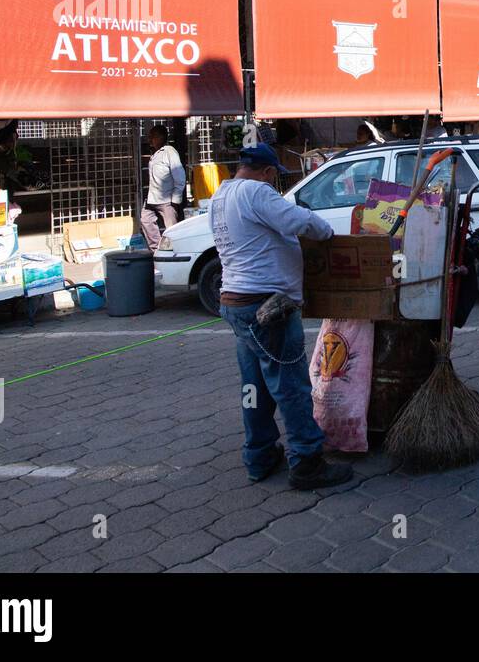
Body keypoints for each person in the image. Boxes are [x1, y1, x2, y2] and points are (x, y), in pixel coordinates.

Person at [210, 143, 352, 490]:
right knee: (291, 386)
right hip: (267, 307)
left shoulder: (221, 196)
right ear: (269, 172)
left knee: (254, 386)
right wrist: (326, 232)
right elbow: (300, 221)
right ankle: (306, 461)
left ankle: (258, 457)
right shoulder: (257, 192)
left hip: (236, 304)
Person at [140, 125, 185, 252]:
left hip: (166, 199)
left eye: (152, 137)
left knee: (171, 229)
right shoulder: (155, 154)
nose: (150, 140)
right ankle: (156, 249)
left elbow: (180, 176)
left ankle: (174, 252)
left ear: (161, 137)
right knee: (146, 220)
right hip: (152, 198)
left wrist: (175, 199)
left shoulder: (169, 152)